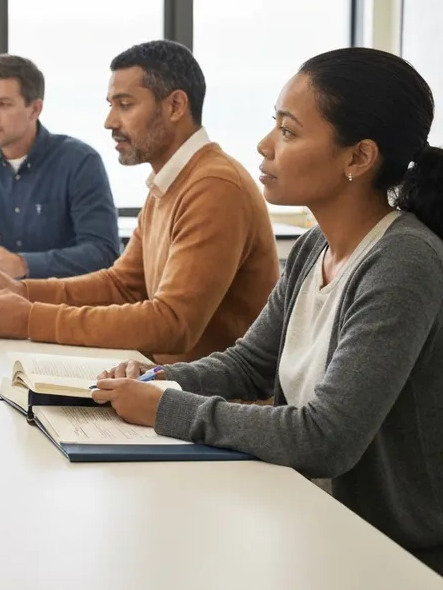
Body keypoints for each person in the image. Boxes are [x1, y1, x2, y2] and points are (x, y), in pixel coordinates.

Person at [91, 47, 443, 574]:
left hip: (386, 553)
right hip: (307, 517)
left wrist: (164, 408)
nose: (264, 145)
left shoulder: (402, 262)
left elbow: (327, 439)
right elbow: (247, 364)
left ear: (358, 157)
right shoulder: (312, 246)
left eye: (289, 131)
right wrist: (158, 377)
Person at [0, 40, 280, 364]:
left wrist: (30, 318)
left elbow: (173, 323)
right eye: (111, 105)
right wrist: (24, 292)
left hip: (210, 404)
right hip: (164, 388)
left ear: (175, 106)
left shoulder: (215, 186)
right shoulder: (171, 181)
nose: (110, 121)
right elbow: (122, 285)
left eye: (125, 105)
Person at [0, 54, 120, 279]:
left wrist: (22, 264)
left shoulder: (80, 161)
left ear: (35, 109)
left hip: (61, 302)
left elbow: (103, 252)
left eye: (3, 104)